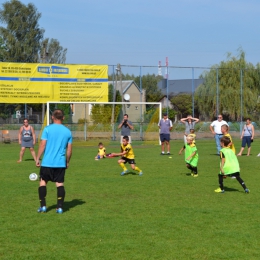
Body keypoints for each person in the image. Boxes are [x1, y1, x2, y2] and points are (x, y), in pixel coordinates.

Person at [36, 109, 73, 214]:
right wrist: (67, 161)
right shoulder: (68, 131)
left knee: (43, 182)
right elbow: (69, 149)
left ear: (52, 117)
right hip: (60, 163)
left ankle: (43, 206)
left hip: (47, 162)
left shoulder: (47, 129)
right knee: (60, 184)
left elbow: (43, 144)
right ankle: (60, 207)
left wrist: (38, 158)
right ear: (63, 118)